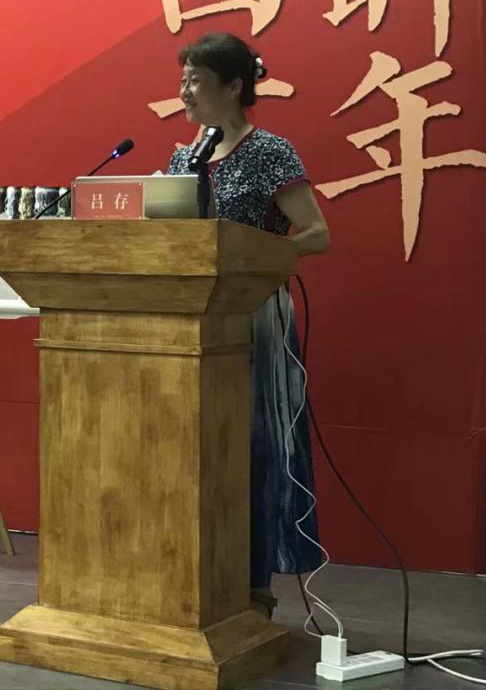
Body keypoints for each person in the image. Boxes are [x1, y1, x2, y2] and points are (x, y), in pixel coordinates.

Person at [167, 31, 331, 618]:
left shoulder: (270, 152)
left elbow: (317, 234)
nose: (185, 93)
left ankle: (255, 584)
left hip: (255, 319)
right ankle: (201, 574)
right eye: (182, 80)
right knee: (197, 447)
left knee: (253, 449)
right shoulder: (184, 159)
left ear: (235, 86)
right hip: (192, 321)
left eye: (197, 82)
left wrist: (249, 253)